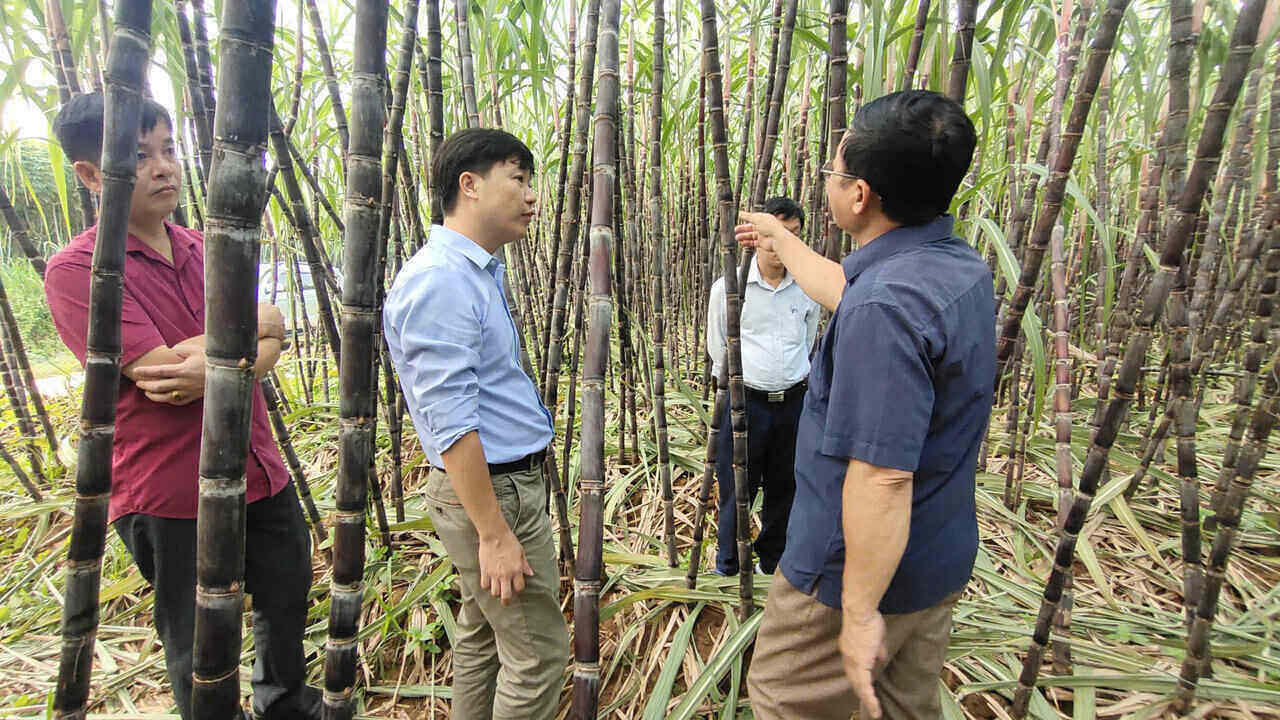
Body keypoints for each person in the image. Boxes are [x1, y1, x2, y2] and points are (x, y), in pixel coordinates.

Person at [43, 93, 321, 720]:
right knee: (201, 643)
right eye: (139, 156)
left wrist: (234, 348)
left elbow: (266, 338)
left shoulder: (209, 245)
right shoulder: (80, 270)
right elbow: (163, 376)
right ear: (91, 174)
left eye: (168, 149)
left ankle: (285, 709)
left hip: (257, 465)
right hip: (170, 490)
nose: (164, 167)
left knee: (286, 594)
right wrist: (254, 333)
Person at [736, 90, 994, 719]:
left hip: (848, 570)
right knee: (904, 707)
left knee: (782, 701)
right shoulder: (954, 268)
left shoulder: (884, 308)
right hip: (934, 557)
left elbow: (882, 478)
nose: (827, 180)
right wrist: (779, 238)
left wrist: (857, 613)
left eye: (832, 170)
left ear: (859, 195)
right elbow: (851, 288)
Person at [383, 128, 569, 720]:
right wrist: (494, 533)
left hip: (499, 487)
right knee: (537, 655)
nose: (531, 195)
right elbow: (452, 423)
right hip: (493, 493)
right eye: (518, 178)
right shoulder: (442, 279)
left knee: (483, 636)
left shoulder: (473, 272)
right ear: (470, 185)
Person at [706, 196, 819, 577]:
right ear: (755, 236)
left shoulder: (807, 288)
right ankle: (729, 566)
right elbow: (718, 348)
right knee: (736, 487)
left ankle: (772, 563)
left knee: (785, 487)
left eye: (793, 234)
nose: (782, 243)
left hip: (793, 403)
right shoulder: (729, 287)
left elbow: (808, 341)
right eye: (775, 233)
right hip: (744, 403)